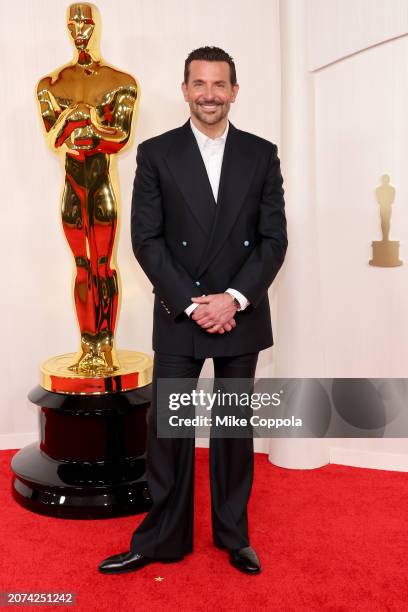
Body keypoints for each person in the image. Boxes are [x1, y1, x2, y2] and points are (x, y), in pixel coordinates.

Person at [99, 46, 287, 576]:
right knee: (171, 431)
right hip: (181, 313)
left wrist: (234, 300)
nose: (209, 94)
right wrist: (192, 302)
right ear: (185, 90)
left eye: (219, 84)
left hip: (240, 313)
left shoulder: (262, 153)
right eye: (199, 84)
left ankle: (234, 536)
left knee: (232, 431)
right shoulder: (156, 153)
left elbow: (273, 240)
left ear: (234, 90)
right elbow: (146, 239)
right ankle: (161, 539)